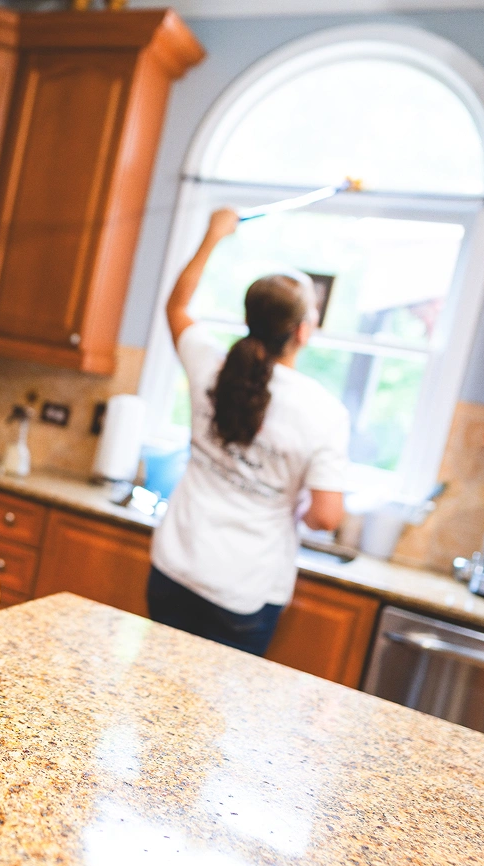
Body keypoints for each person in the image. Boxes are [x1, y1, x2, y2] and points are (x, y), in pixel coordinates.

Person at [147, 208, 349, 656]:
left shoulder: (208, 363)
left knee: (151, 702)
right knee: (216, 720)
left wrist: (213, 235)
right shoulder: (324, 411)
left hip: (175, 567)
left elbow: (176, 305)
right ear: (303, 331)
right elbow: (326, 517)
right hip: (244, 590)